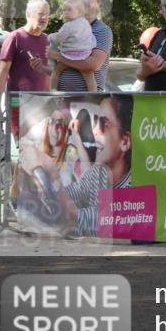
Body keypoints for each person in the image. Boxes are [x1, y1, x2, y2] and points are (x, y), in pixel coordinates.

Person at [55, 95, 133, 237]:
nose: (95, 131)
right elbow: (73, 192)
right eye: (96, 120)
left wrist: (48, 175)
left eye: (103, 123)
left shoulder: (133, 188)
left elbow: (78, 217)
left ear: (125, 142)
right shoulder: (99, 173)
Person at [0, 0, 51, 137]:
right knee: (23, 150)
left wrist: (52, 101)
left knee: (40, 153)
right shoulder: (15, 37)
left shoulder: (47, 40)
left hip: (42, 106)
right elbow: (2, 74)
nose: (44, 17)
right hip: (18, 105)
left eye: (47, 14)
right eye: (40, 13)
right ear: (29, 15)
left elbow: (49, 75)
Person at [51, 0, 112, 92]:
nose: (84, 0)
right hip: (61, 99)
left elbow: (93, 65)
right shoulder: (67, 28)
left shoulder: (102, 30)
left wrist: (60, 57)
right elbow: (54, 66)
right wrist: (41, 67)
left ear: (98, 3)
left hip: (87, 101)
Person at [48, 0, 97, 92]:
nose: (66, 12)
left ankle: (53, 90)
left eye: (69, 10)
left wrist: (50, 37)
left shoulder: (68, 26)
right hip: (84, 54)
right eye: (64, 9)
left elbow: (59, 38)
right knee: (89, 75)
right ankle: (93, 93)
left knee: (56, 71)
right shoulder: (86, 23)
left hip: (69, 54)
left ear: (79, 12)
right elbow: (90, 36)